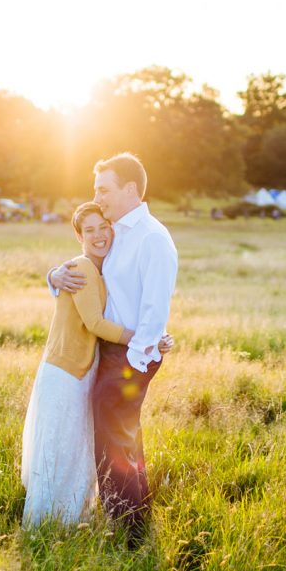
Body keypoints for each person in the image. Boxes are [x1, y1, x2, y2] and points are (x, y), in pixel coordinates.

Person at [48, 153, 178, 542]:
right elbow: (91, 263)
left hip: (130, 356)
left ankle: (126, 531)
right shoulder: (119, 231)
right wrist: (54, 276)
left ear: (130, 189)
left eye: (103, 189)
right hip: (114, 352)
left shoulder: (152, 238)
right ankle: (137, 520)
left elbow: (155, 305)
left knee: (111, 441)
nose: (97, 197)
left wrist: (139, 356)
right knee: (124, 437)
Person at [21, 202, 172, 527]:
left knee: (76, 447)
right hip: (65, 371)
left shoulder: (106, 269)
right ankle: (46, 524)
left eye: (104, 227)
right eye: (89, 230)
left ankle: (72, 518)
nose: (99, 235)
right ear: (79, 237)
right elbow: (96, 323)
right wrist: (146, 340)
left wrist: (154, 336)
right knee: (60, 449)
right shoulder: (82, 268)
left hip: (81, 370)